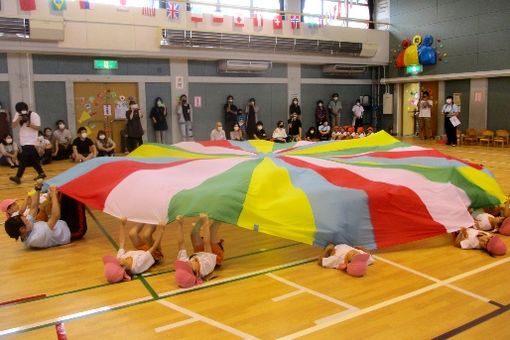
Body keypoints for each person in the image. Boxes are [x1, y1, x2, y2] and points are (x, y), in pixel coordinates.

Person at [4, 185, 72, 249]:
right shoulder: (36, 237)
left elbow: (34, 208)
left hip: (61, 222)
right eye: (26, 221)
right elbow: (55, 216)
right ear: (22, 229)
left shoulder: (26, 230)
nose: (27, 219)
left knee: (63, 193)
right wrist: (53, 194)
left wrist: (38, 188)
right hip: (70, 231)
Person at [103, 218, 165, 283]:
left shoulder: (121, 259)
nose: (117, 259)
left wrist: (122, 224)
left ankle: (145, 216)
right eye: (117, 262)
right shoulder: (138, 265)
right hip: (155, 255)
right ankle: (158, 218)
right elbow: (153, 248)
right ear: (124, 267)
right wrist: (161, 230)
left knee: (132, 233)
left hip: (143, 251)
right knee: (147, 235)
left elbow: (121, 242)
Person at [174, 214, 222, 288]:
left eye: (186, 264)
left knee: (193, 234)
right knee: (212, 231)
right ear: (197, 273)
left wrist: (179, 224)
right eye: (190, 265)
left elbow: (181, 243)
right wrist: (206, 222)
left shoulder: (186, 262)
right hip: (214, 254)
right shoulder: (206, 266)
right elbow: (207, 244)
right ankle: (221, 215)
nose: (188, 262)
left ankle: (204, 214)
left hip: (199, 255)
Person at [9, 102, 46, 185]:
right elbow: (13, 125)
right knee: (32, 159)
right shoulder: (18, 114)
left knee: (23, 159)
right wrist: (19, 118)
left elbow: (38, 128)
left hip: (32, 140)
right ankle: (41, 173)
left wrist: (29, 124)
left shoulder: (34, 115)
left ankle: (18, 177)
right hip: (23, 140)